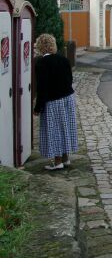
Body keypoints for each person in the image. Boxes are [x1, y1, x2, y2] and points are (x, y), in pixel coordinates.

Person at [34, 34, 78, 170]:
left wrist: (38, 107)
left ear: (40, 47)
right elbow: (70, 80)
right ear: (53, 45)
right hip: (68, 99)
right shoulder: (63, 59)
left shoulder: (41, 63)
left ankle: (58, 162)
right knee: (65, 127)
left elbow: (42, 88)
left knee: (55, 130)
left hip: (53, 101)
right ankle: (65, 159)